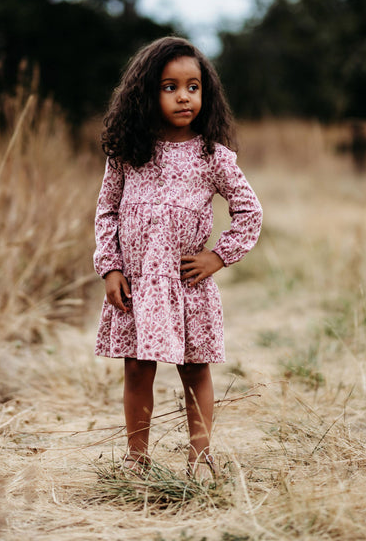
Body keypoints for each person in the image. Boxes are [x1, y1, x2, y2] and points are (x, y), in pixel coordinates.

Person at [93, 36, 262, 479]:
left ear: (206, 94)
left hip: (187, 286)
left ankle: (201, 458)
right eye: (170, 87)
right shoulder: (128, 152)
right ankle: (136, 458)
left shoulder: (213, 156)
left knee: (194, 368)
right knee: (136, 369)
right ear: (146, 93)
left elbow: (249, 212)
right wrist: (110, 267)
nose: (184, 96)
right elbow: (107, 209)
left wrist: (218, 257)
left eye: (193, 86)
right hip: (136, 283)